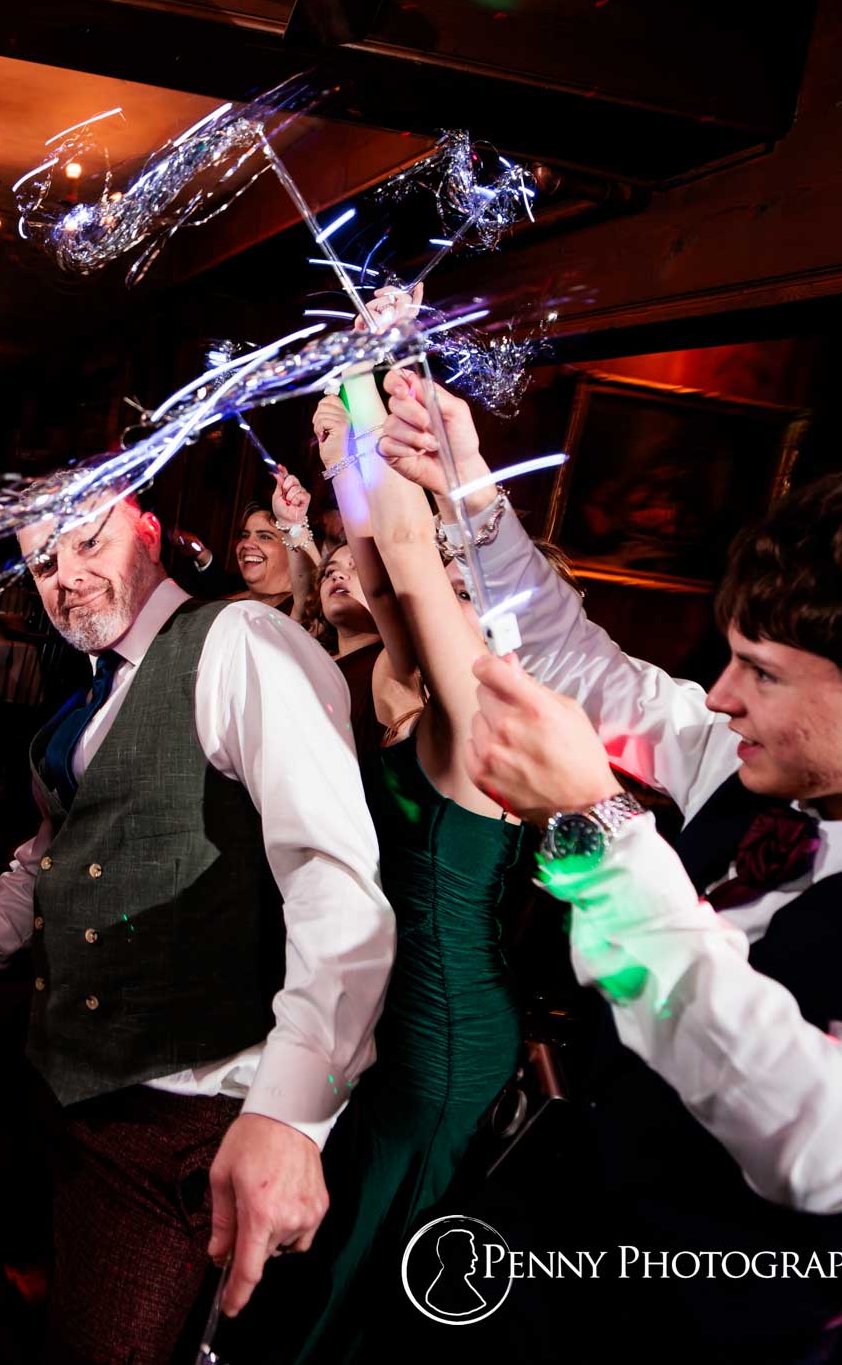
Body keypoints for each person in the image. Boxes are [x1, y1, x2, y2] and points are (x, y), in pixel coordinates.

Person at [380, 367, 842, 1360]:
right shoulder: (744, 763)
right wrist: (470, 494)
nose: (721, 695)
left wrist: (590, 824)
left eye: (763, 672)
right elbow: (581, 666)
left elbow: (823, 1142)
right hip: (535, 1253)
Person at [0, 485, 395, 1362]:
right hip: (67, 1087)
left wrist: (295, 1116)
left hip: (181, 1120)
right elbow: (49, 863)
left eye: (87, 542)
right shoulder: (99, 686)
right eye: (43, 561)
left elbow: (335, 885)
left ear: (149, 528)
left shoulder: (243, 643)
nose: (65, 576)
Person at [286, 385, 561, 1364]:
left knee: (359, 1263)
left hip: (437, 1031)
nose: (431, 583)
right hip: (397, 1007)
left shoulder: (482, 714)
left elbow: (404, 553)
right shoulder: (430, 690)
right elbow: (380, 565)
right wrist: (339, 457)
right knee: (338, 1239)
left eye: (458, 577)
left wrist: (372, 409)